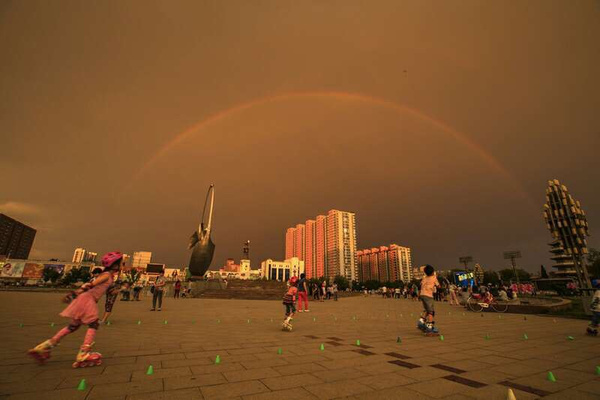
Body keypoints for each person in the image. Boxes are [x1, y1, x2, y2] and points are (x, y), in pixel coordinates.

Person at [28, 252, 122, 367]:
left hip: (84, 299)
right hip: (88, 299)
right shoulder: (107, 275)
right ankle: (84, 353)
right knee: (93, 324)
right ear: (115, 265)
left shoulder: (108, 276)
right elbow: (91, 284)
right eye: (120, 263)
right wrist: (74, 293)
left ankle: (45, 347)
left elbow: (99, 287)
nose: (121, 265)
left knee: (73, 326)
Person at [417, 265, 440, 335]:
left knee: (426, 309)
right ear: (433, 272)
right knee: (431, 312)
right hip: (428, 296)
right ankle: (429, 328)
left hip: (422, 295)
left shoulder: (424, 278)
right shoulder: (434, 278)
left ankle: (421, 322)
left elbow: (420, 286)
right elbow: (439, 286)